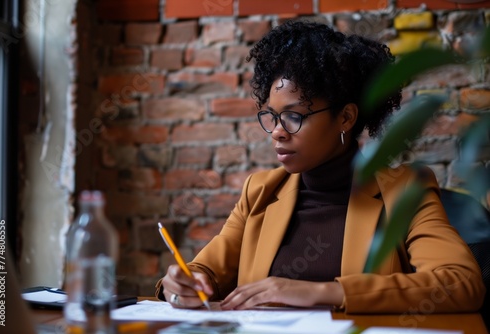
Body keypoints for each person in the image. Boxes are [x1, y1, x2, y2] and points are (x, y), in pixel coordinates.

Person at [155, 20, 485, 314]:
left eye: (295, 116)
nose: (277, 131)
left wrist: (322, 292)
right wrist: (182, 284)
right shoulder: (261, 193)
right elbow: (204, 272)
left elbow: (460, 284)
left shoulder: (404, 190)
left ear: (345, 117)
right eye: (272, 116)